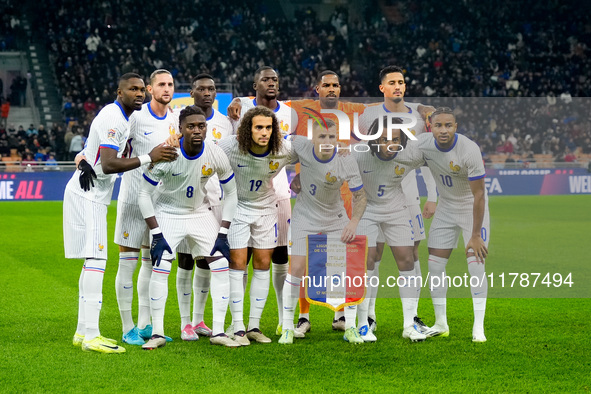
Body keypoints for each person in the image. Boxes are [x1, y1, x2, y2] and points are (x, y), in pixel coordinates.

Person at [64, 73, 177, 354]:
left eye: (141, 89)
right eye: (133, 89)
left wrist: (83, 158)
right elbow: (111, 163)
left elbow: (96, 153)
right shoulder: (116, 117)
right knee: (97, 260)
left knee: (92, 260)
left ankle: (82, 331)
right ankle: (92, 335)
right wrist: (150, 156)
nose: (138, 93)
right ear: (119, 91)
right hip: (89, 194)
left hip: (91, 193)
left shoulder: (121, 116)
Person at [137, 105, 239, 349]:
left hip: (198, 213)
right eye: (191, 126)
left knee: (221, 263)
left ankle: (219, 331)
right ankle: (157, 333)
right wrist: (156, 233)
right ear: (179, 129)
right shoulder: (167, 153)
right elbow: (143, 194)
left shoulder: (214, 153)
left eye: (201, 126)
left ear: (207, 129)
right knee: (161, 263)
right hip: (168, 212)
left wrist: (223, 233)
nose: (197, 130)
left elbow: (232, 193)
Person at [393, 107, 490, 342]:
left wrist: (475, 234)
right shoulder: (423, 144)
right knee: (435, 267)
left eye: (448, 125)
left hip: (471, 209)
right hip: (446, 208)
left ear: (456, 127)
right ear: (431, 127)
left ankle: (478, 327)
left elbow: (479, 196)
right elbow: (398, 155)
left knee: (475, 265)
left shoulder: (469, 149)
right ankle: (440, 323)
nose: (443, 130)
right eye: (438, 125)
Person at [358, 65, 437, 334]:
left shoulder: (416, 114)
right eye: (391, 82)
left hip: (407, 196)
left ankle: (412, 318)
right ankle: (368, 316)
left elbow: (425, 159)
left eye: (401, 82)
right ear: (382, 87)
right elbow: (363, 153)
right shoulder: (369, 115)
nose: (397, 86)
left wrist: (433, 195)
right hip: (372, 194)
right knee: (373, 255)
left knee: (411, 255)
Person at [279, 119, 367, 345]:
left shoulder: (346, 159)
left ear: (337, 138)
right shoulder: (300, 145)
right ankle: (289, 327)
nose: (327, 142)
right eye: (321, 137)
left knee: (346, 271)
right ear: (312, 138)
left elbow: (360, 196)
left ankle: (351, 327)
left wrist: (353, 222)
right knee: (297, 268)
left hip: (335, 218)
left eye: (331, 137)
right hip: (304, 217)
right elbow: (278, 138)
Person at [226, 66, 297, 337]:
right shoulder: (240, 109)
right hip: (240, 197)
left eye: (275, 79)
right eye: (266, 79)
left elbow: (304, 150)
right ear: (254, 84)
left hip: (275, 194)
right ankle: (236, 324)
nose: (272, 83)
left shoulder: (289, 115)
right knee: (238, 262)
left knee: (271, 259)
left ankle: (263, 323)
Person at [112, 69, 179, 346]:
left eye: (170, 84)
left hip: (159, 201)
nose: (166, 88)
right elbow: (112, 148)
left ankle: (145, 323)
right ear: (150, 89)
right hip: (132, 198)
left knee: (152, 263)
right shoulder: (136, 118)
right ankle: (127, 327)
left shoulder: (175, 118)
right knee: (127, 264)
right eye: (161, 84)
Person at [354, 116, 427, 342]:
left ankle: (409, 324)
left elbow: (438, 158)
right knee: (368, 260)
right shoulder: (358, 154)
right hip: (367, 208)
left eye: (395, 139)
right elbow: (329, 164)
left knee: (406, 260)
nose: (390, 144)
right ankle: (363, 323)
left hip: (396, 208)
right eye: (384, 139)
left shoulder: (411, 153)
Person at [174, 73, 234, 340]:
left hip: (216, 199)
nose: (207, 93)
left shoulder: (225, 122)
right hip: (185, 201)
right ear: (192, 92)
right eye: (201, 89)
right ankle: (185, 322)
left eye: (211, 88)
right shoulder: (179, 117)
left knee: (209, 262)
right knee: (185, 261)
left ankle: (199, 320)